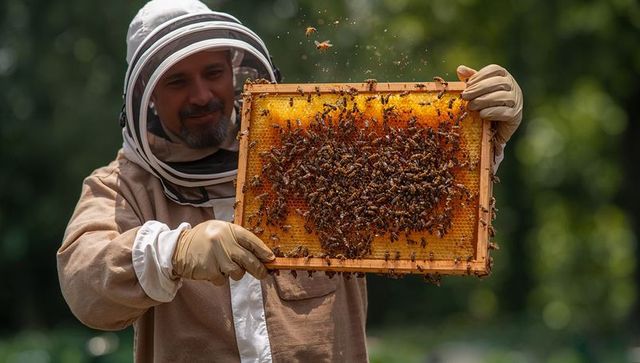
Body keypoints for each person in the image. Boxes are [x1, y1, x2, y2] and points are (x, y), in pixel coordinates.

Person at [56, 0, 523, 362]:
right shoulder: (122, 186)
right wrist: (173, 252)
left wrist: (480, 137)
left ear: (234, 71)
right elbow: (85, 282)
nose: (201, 94)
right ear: (148, 94)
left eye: (213, 72)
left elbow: (415, 191)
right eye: (177, 81)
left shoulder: (316, 149)